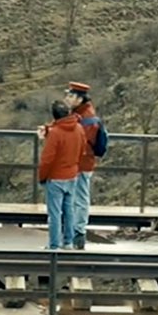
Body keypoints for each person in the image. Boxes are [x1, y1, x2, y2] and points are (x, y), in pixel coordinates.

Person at [36, 100, 86, 250]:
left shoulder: (56, 133)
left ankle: (54, 244)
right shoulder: (78, 128)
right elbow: (82, 150)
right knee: (69, 211)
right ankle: (68, 242)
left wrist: (42, 177)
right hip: (72, 175)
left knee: (55, 214)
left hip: (56, 177)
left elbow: (47, 159)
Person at [64, 81, 101, 249]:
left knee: (79, 198)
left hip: (81, 164)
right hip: (78, 163)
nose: (67, 99)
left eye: (71, 96)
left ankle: (78, 231)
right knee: (76, 197)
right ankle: (74, 231)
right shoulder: (80, 113)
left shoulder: (86, 118)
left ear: (80, 98)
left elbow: (81, 143)